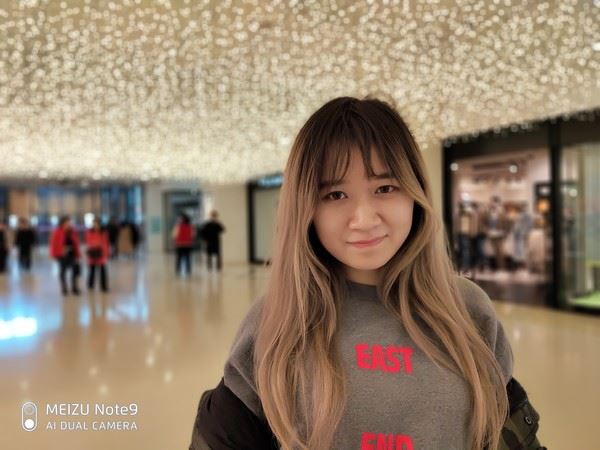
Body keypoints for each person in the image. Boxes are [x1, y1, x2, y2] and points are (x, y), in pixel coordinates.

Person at [189, 97, 544, 450]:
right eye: (335, 195)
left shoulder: (468, 309)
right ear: (306, 209)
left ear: (415, 193)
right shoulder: (275, 322)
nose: (364, 219)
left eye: (385, 189)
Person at [50, 216, 81, 295]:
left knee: (75, 270)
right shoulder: (58, 232)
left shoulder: (73, 231)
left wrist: (78, 254)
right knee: (63, 271)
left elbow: (76, 243)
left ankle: (74, 287)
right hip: (62, 255)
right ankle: (64, 288)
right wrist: (60, 250)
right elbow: (54, 244)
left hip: (72, 254)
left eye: (69, 222)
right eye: (66, 222)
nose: (68, 224)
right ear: (62, 223)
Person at [85, 218, 110, 292]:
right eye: (94, 224)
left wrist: (106, 253)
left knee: (102, 270)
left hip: (101, 253)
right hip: (92, 253)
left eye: (97, 224)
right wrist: (94, 245)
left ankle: (103, 286)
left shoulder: (103, 232)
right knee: (92, 270)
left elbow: (105, 243)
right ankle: (90, 286)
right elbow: (89, 242)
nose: (96, 225)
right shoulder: (89, 232)